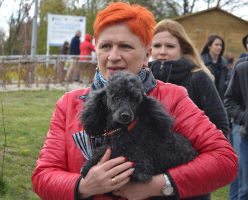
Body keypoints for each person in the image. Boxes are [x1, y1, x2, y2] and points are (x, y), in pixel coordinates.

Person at [31, 2, 238, 200]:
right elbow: (42, 177)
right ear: (96, 51)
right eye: (105, 46)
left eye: (125, 46)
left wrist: (160, 186)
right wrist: (84, 187)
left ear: (147, 53)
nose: (113, 56)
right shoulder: (69, 104)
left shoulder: (173, 98)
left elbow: (225, 160)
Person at [149, 19, 229, 137]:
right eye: (157, 46)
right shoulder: (141, 78)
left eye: (170, 46)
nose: (162, 52)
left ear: (182, 49)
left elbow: (220, 125)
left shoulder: (197, 77)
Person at [225, 33, 248, 200]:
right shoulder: (242, 69)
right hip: (247, 137)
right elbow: (229, 99)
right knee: (245, 189)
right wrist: (243, 118)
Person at [201, 34, 228, 100]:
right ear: (209, 46)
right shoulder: (200, 61)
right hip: (205, 98)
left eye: (221, 45)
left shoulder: (224, 62)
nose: (219, 47)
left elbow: (227, 79)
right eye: (216, 45)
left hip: (221, 99)